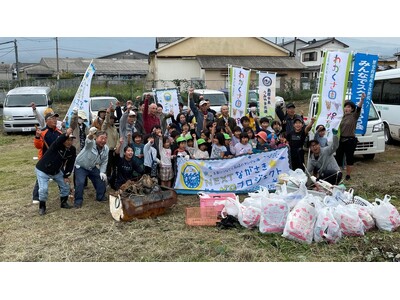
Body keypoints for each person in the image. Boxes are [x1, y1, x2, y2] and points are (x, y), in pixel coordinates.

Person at [35, 128, 76, 215]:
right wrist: (65, 134)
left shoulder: (72, 150)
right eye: (67, 139)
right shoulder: (56, 145)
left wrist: (66, 175)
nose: (69, 142)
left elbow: (70, 163)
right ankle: (42, 207)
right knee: (43, 189)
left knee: (65, 185)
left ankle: (63, 203)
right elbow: (59, 140)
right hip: (43, 170)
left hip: (56, 171)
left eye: (71, 140)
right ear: (64, 140)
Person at [73, 127, 109, 208]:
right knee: (80, 183)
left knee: (101, 179)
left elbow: (104, 161)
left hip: (91, 167)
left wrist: (102, 172)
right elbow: (88, 140)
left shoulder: (106, 148)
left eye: (105, 138)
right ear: (96, 138)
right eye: (101, 138)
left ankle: (100, 197)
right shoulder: (91, 143)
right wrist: (90, 134)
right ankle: (78, 201)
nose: (103, 140)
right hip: (81, 166)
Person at [32, 111, 63, 204]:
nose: (55, 120)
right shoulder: (43, 132)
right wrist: (37, 137)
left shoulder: (59, 132)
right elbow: (38, 146)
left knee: (60, 175)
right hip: (45, 159)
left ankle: (64, 193)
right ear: (47, 121)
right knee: (41, 178)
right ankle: (36, 197)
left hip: (56, 159)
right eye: (52, 118)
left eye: (56, 118)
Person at [335, 93, 365, 180]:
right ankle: (338, 174)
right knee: (338, 157)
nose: (347, 108)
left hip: (350, 140)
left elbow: (358, 108)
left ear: (352, 109)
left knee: (349, 158)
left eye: (349, 107)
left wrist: (362, 100)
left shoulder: (354, 116)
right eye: (346, 107)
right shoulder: (341, 117)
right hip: (341, 139)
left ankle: (348, 175)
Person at [102, 105, 119, 178]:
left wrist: (117, 147)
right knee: (108, 165)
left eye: (113, 119)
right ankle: (107, 179)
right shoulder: (105, 127)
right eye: (111, 119)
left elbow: (118, 138)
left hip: (114, 150)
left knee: (115, 165)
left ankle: (113, 179)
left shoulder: (115, 127)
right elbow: (106, 122)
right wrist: (108, 114)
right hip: (107, 150)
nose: (112, 120)